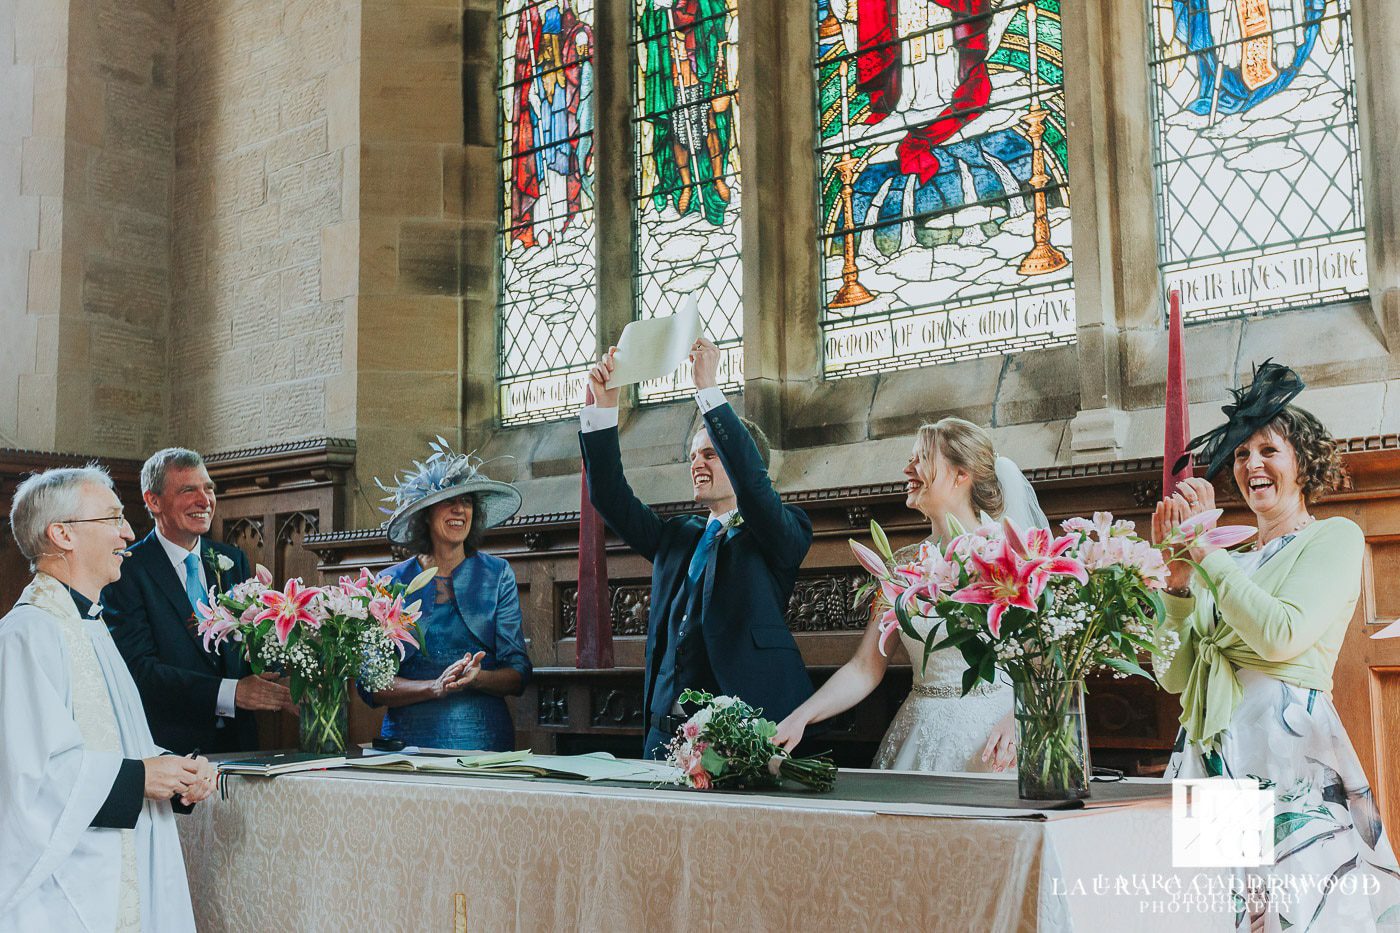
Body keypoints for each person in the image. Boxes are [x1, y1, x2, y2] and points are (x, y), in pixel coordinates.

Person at [1152, 361, 1400, 929]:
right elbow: (1174, 676)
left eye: (1269, 450)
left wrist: (1203, 551)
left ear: (1303, 464)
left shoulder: (1334, 537)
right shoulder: (1228, 564)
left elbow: (1282, 632)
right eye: (1241, 454)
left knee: (1298, 909)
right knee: (1225, 914)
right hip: (1214, 747)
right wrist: (1177, 583)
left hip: (1285, 747)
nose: (1251, 464)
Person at [0, 466, 215, 931]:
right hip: (67, 891)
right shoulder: (28, 634)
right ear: (62, 535)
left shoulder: (91, 627)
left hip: (118, 861)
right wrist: (140, 779)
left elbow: (115, 744)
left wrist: (173, 771)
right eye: (113, 518)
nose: (128, 532)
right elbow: (27, 782)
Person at [582, 337, 814, 759]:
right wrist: (603, 408)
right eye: (692, 456)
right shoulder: (677, 537)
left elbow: (756, 491)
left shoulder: (780, 532)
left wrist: (708, 389)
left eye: (710, 454)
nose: (697, 464)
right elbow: (609, 496)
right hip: (663, 736)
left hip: (743, 734)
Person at [775, 418, 1045, 772]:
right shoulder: (902, 566)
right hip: (918, 734)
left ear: (961, 474)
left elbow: (1044, 660)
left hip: (996, 738)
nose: (907, 468)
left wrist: (1018, 717)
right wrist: (801, 717)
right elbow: (864, 668)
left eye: (921, 459)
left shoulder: (1010, 554)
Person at [104, 448, 292, 754]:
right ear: (153, 501)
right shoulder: (126, 570)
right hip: (168, 749)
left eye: (209, 489)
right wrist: (230, 693)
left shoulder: (232, 560)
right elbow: (140, 671)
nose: (205, 500)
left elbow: (249, 649)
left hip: (239, 746)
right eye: (188, 490)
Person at [366, 447, 532, 751]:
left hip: (484, 745)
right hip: (405, 747)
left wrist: (477, 678)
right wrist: (433, 687)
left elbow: (519, 674)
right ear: (426, 515)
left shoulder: (497, 574)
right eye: (448, 502)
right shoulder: (389, 583)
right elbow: (371, 685)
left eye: (466, 502)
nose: (459, 510)